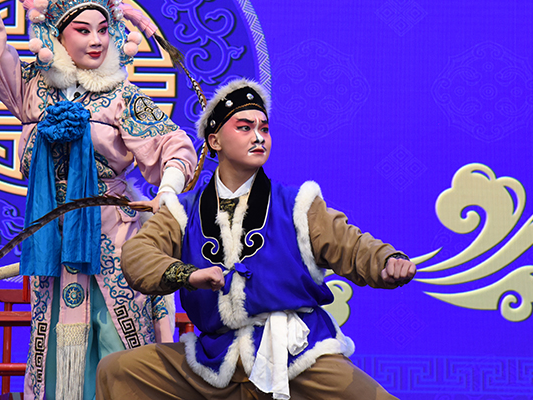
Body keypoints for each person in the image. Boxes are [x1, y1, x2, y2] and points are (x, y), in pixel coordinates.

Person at [0, 0, 198, 400]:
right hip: (52, 234)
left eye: (104, 30)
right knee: (54, 345)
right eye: (82, 30)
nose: (97, 40)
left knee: (117, 339)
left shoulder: (121, 96)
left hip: (110, 232)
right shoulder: (33, 87)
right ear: (57, 34)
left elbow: (175, 147)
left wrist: (169, 191)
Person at [97, 79, 416, 400]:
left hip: (297, 356)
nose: (259, 136)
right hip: (216, 359)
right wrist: (189, 275)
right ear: (214, 140)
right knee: (119, 371)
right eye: (245, 127)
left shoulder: (297, 205)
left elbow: (353, 245)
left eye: (264, 128)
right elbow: (138, 256)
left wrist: (387, 261)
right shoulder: (183, 212)